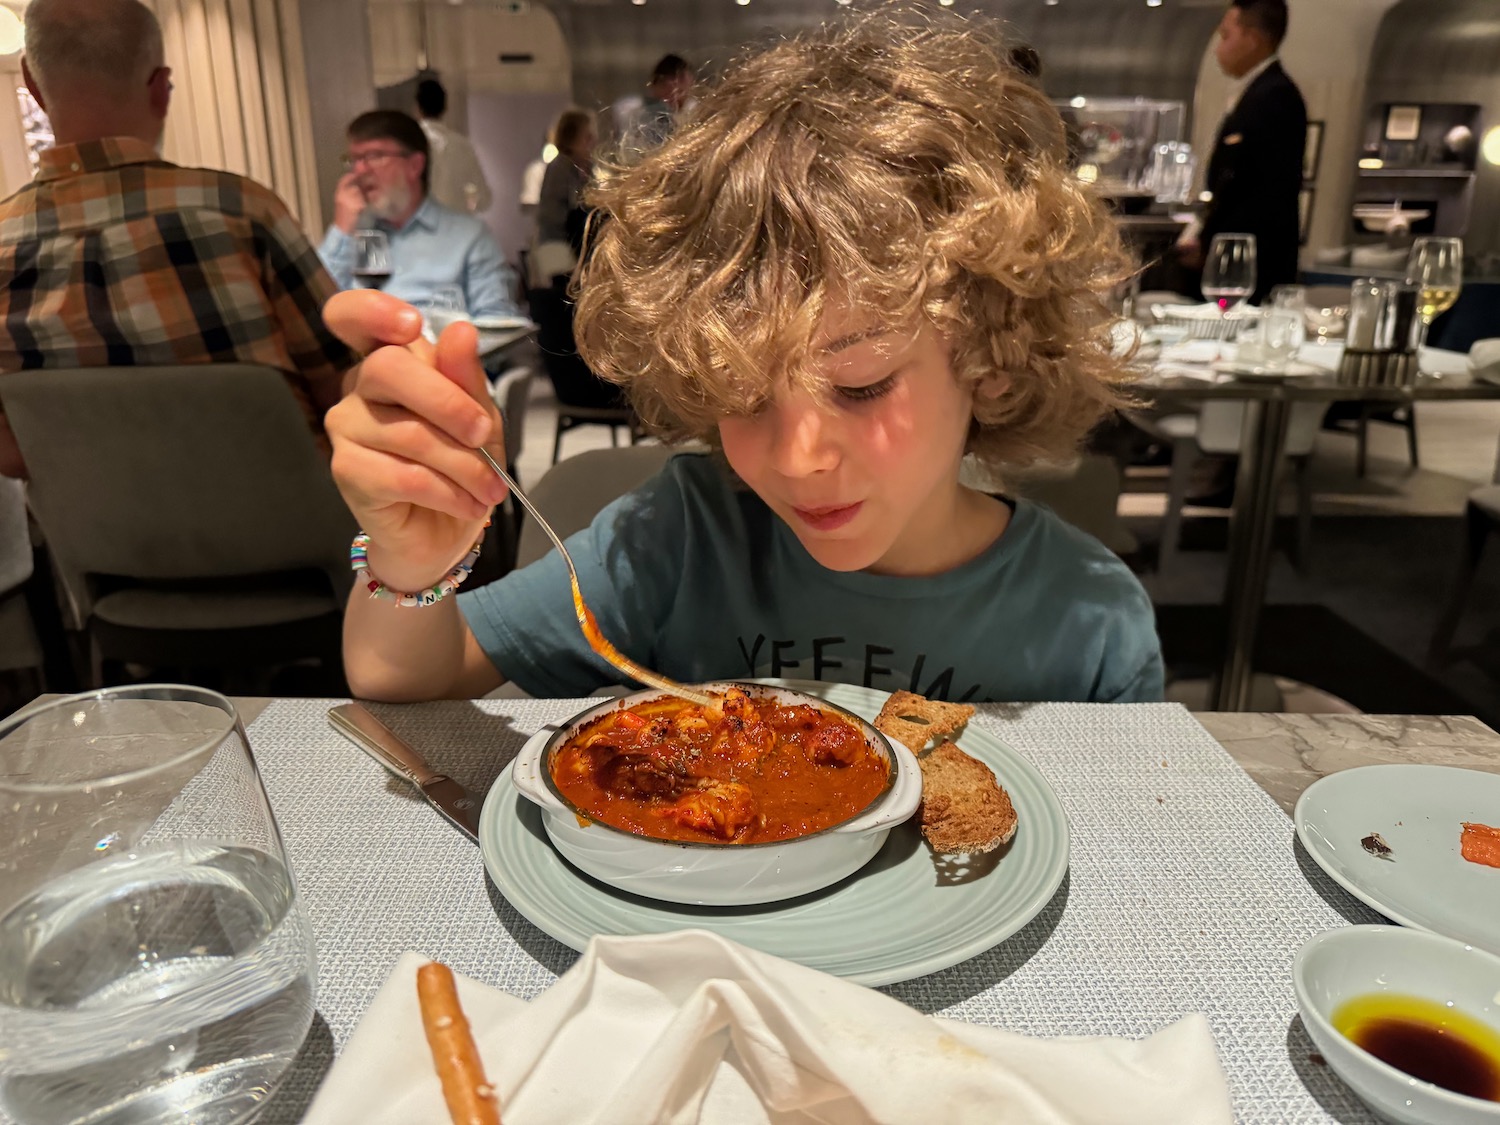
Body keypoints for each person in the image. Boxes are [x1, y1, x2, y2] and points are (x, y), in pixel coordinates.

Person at [320, 13, 1163, 705]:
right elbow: (400, 673)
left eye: (863, 384)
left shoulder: (1088, 622)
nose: (799, 458)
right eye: (744, 393)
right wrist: (408, 564)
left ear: (989, 359)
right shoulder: (681, 542)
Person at [0, 0, 357, 478]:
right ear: (160, 89)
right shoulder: (241, 211)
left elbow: (11, 451)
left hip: (101, 549)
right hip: (302, 535)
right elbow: (345, 390)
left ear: (33, 87)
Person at [318, 109, 521, 322]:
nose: (360, 171)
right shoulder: (357, 236)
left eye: (374, 156)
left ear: (415, 165)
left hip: (441, 351)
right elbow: (316, 309)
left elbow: (498, 321)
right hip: (367, 355)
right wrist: (341, 229)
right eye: (354, 159)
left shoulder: (469, 237)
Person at [1181, 0, 1306, 305]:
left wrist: (1209, 243)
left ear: (1252, 40)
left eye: (1226, 36)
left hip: (1251, 265)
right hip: (1233, 256)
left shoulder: (1275, 96)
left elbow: (1255, 192)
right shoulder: (1259, 91)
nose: (1217, 49)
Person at [529, 107, 596, 289]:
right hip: (561, 248)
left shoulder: (586, 167)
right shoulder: (561, 167)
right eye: (587, 135)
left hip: (576, 249)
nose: (592, 140)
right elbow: (552, 214)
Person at [414, 77, 493, 216]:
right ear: (445, 108)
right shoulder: (462, 145)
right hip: (456, 226)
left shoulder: (409, 144)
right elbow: (484, 198)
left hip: (420, 226)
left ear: (417, 107)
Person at [621, 53, 695, 155]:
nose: (673, 88)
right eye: (664, 83)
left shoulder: (698, 112)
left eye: (681, 80)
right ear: (654, 86)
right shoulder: (635, 113)